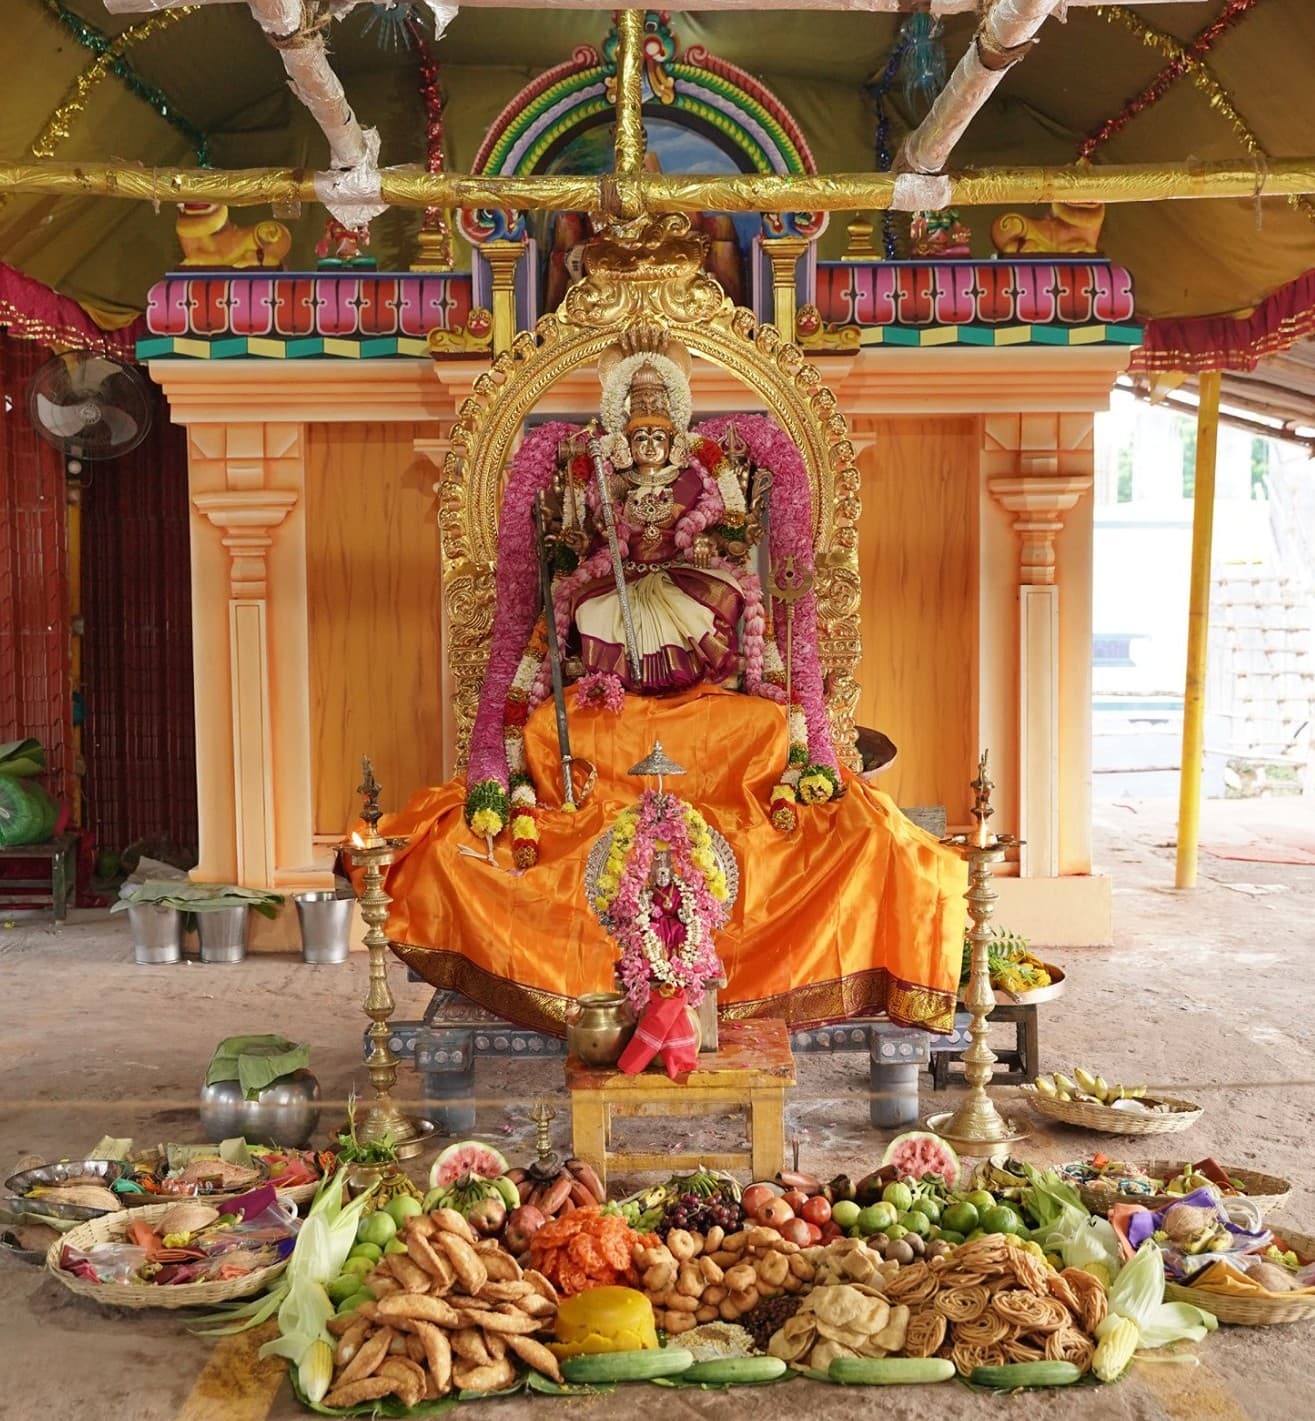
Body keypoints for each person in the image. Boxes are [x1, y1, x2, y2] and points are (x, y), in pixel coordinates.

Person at [566, 356, 745, 693]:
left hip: (676, 569)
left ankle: (698, 675)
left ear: (672, 445)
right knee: (590, 609)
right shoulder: (614, 483)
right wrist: (591, 538)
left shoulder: (691, 480)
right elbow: (597, 534)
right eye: (641, 439)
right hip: (626, 573)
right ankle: (612, 682)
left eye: (658, 438)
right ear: (627, 447)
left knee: (701, 606)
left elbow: (717, 529)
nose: (649, 446)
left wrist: (704, 541)